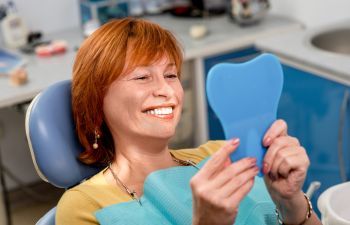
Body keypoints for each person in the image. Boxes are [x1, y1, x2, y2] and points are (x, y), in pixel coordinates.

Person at [56, 17, 322, 225]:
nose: (167, 91)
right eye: (142, 77)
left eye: (171, 75)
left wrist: (291, 202)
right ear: (96, 101)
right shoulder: (84, 206)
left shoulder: (223, 155)